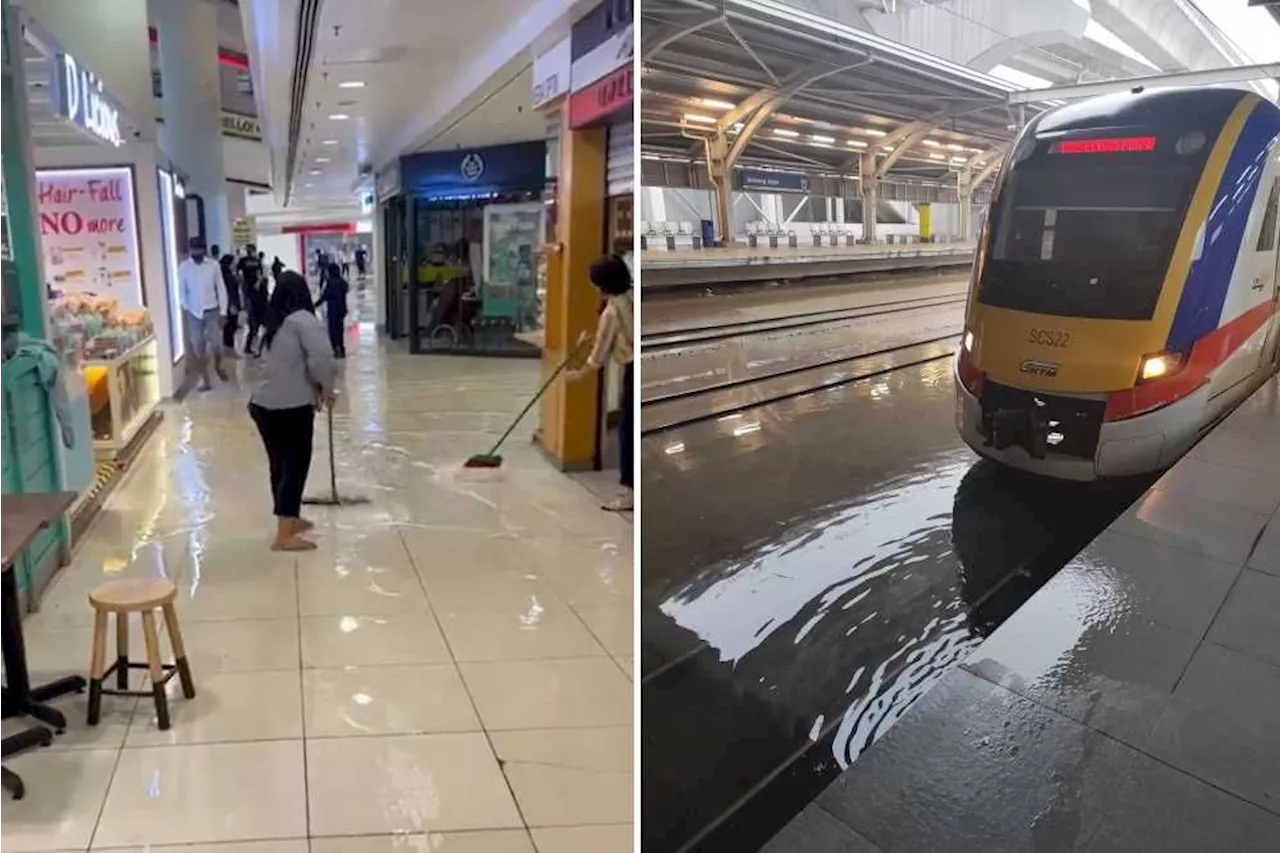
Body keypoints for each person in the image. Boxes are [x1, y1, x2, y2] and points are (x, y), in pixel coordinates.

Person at [247, 271, 336, 551]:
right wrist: (327, 389)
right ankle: (284, 534)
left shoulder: (273, 322)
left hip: (262, 406)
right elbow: (321, 359)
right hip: (290, 406)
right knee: (295, 465)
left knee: (280, 465)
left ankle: (289, 520)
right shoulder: (304, 320)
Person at [565, 256, 634, 511]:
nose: (594, 287)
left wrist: (577, 375)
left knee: (627, 431)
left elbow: (599, 357)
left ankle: (629, 492)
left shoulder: (611, 312)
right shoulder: (632, 297)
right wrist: (591, 340)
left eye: (595, 283)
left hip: (632, 368)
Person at [178, 236, 229, 391]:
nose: (195, 252)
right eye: (193, 249)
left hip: (212, 310)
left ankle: (218, 366)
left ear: (203, 250)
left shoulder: (213, 265)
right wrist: (186, 306)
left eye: (198, 249)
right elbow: (182, 290)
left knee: (216, 343)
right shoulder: (184, 267)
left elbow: (220, 288)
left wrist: (223, 310)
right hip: (194, 313)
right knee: (198, 346)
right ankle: (205, 380)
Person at [319, 262, 349, 358]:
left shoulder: (330, 282)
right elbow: (346, 289)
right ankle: (342, 349)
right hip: (342, 310)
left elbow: (325, 296)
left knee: (332, 330)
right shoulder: (342, 281)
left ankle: (335, 350)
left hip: (333, 310)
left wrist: (315, 304)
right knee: (340, 330)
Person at [218, 253, 243, 353]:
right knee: (230, 326)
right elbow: (229, 291)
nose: (235, 264)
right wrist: (231, 305)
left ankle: (229, 348)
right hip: (230, 303)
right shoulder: (227, 276)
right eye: (233, 262)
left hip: (231, 303)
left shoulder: (228, 274)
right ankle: (229, 349)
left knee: (230, 327)